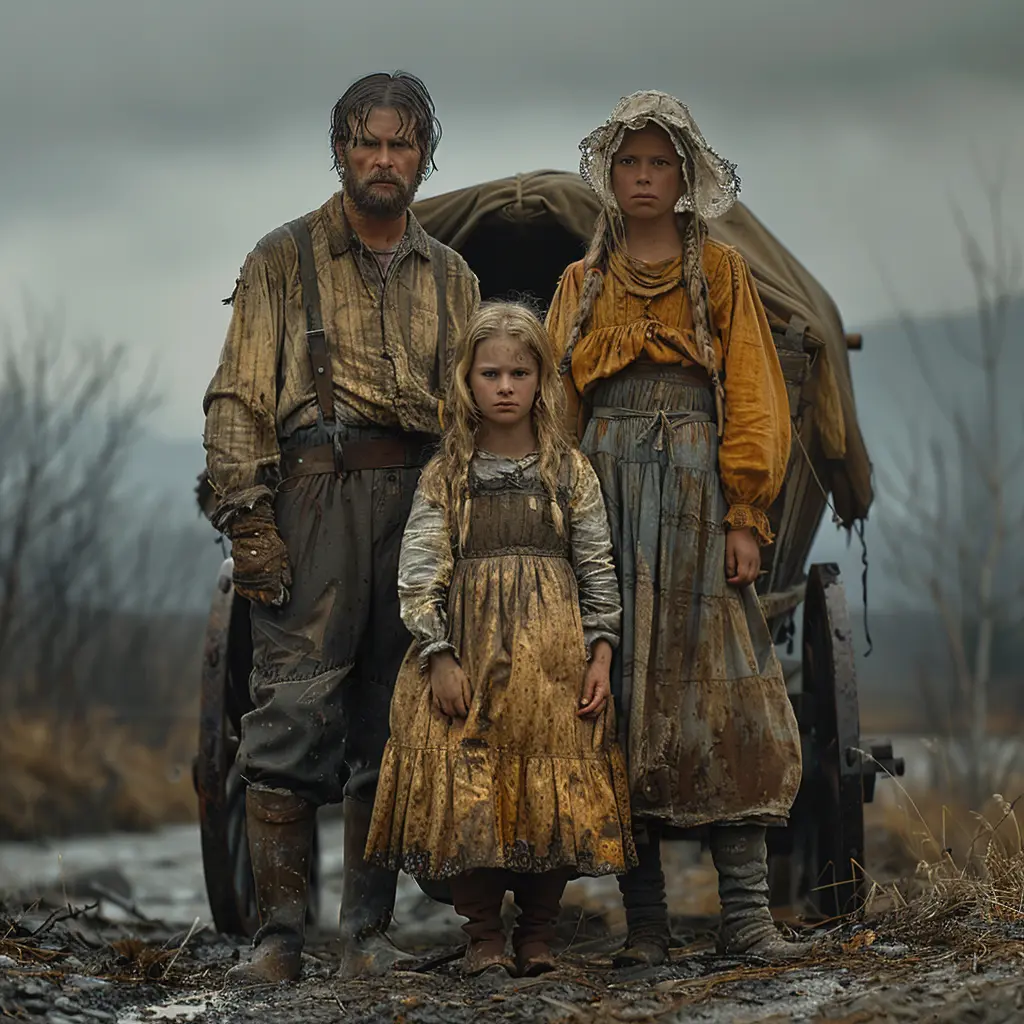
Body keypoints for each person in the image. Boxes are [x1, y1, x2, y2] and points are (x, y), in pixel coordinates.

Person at [202, 71, 479, 983]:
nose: (385, 161)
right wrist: (250, 523)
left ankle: (366, 935)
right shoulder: (282, 259)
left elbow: (478, 417)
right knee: (290, 708)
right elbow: (238, 399)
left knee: (390, 718)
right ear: (340, 151)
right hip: (313, 495)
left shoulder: (455, 277)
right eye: (369, 143)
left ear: (425, 155)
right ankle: (280, 938)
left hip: (420, 501)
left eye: (402, 145)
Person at [546, 91, 809, 964]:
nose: (645, 178)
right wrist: (560, 520)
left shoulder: (722, 274)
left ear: (685, 175)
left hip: (699, 507)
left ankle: (745, 916)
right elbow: (555, 409)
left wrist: (745, 512)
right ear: (611, 177)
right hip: (608, 503)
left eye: (660, 163)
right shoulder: (580, 289)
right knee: (620, 700)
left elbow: (756, 399)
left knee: (725, 691)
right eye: (630, 164)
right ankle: (647, 923)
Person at [364, 302, 636, 977]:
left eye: (520, 372)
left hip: (553, 663)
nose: (506, 386)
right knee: (470, 795)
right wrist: (438, 654)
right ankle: (483, 937)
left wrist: (600, 651)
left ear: (543, 380)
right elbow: (420, 570)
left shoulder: (569, 472)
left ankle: (538, 937)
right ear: (468, 382)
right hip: (469, 659)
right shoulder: (447, 474)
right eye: (491, 373)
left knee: (553, 792)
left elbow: (598, 567)